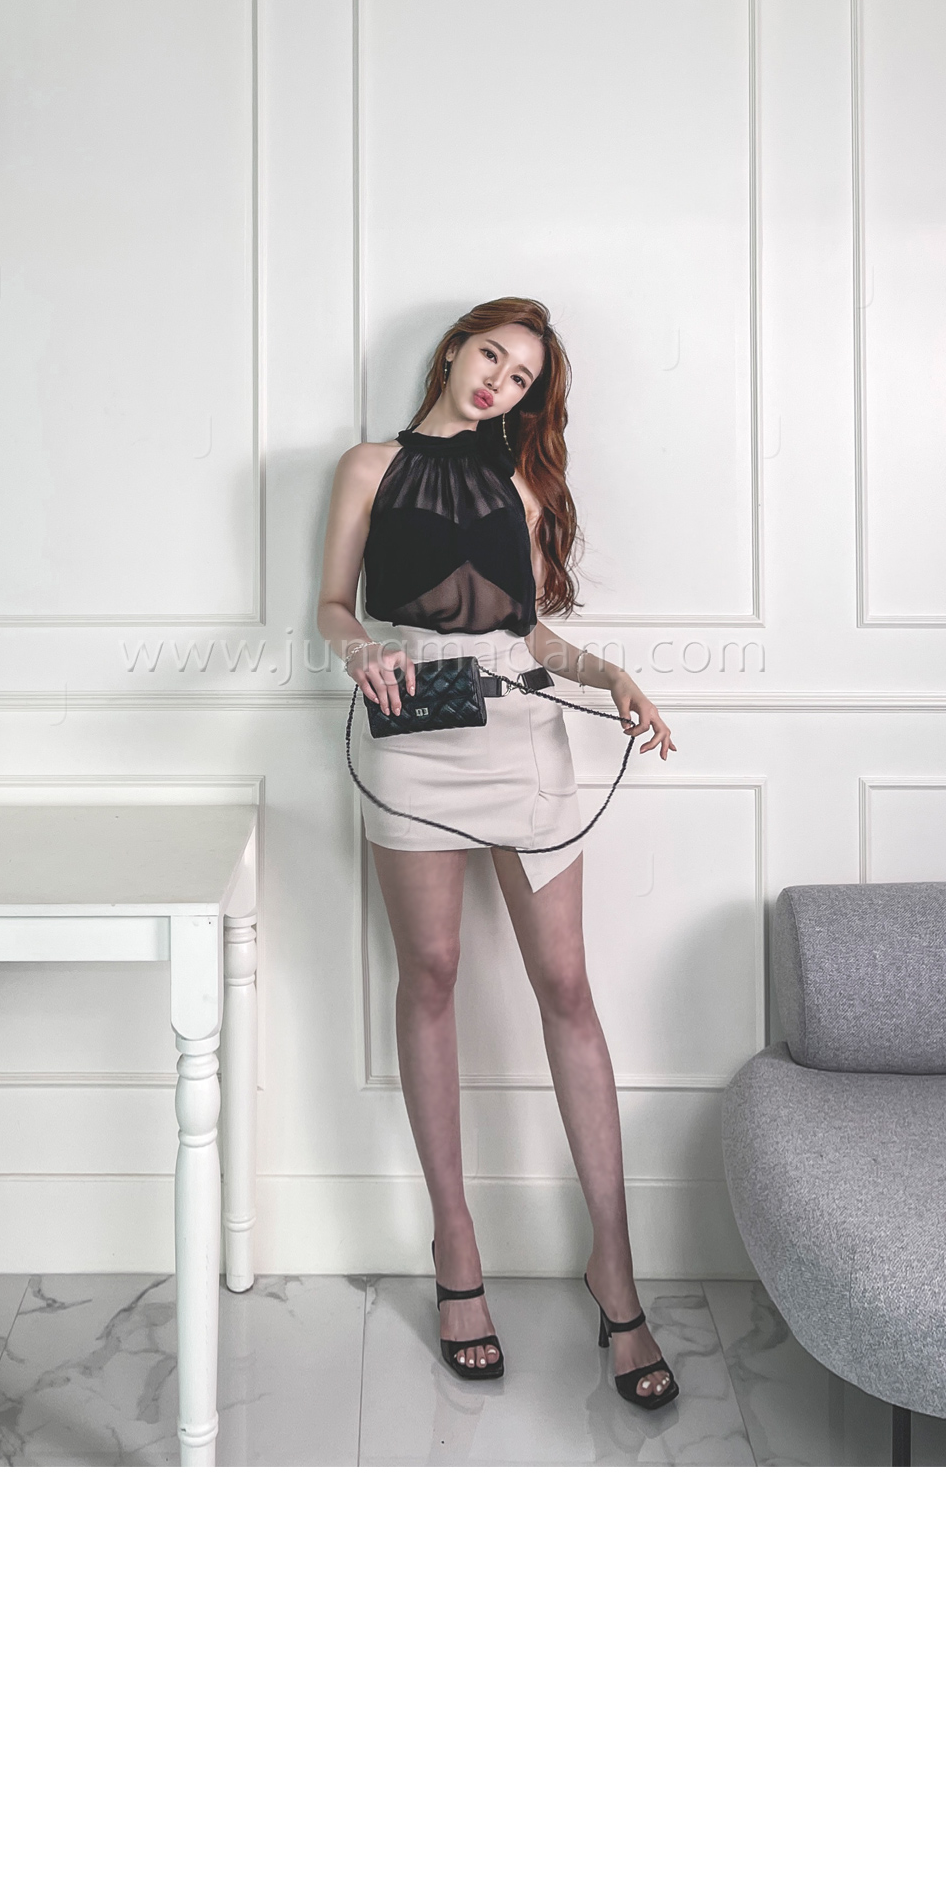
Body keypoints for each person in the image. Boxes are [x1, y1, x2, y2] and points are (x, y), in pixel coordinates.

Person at [317, 298, 680, 1407]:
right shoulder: (368, 467)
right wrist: (359, 652)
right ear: (454, 349)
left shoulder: (519, 484)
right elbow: (331, 605)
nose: (499, 383)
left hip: (525, 741)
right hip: (412, 739)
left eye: (522, 378)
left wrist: (609, 676)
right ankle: (457, 1248)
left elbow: (529, 633)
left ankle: (613, 1268)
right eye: (492, 356)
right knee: (430, 976)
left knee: (565, 987)